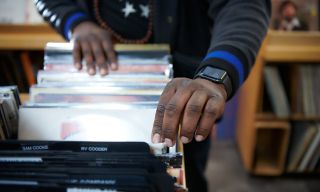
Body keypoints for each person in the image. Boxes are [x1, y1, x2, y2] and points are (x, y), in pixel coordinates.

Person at [35, 0, 271, 191]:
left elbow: (242, 5)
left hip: (187, 97)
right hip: (93, 86)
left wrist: (216, 75)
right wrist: (75, 22)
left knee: (184, 177)